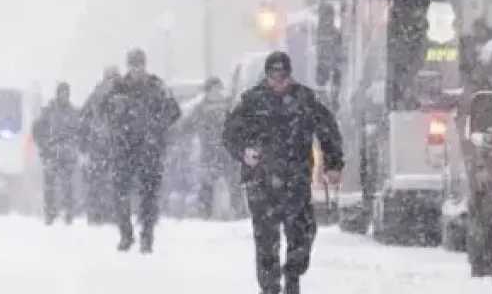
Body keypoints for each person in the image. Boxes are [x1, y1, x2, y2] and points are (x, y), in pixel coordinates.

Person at [223, 51, 344, 294]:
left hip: (296, 178)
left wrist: (333, 164)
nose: (278, 81)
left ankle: (292, 276)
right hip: (261, 180)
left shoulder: (305, 99)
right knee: (266, 239)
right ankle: (270, 287)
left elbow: (328, 130)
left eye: (283, 76)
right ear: (266, 76)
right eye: (273, 76)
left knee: (302, 234)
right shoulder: (251, 101)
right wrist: (244, 152)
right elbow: (229, 134)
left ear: (290, 75)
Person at [103, 48, 180, 253]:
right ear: (128, 67)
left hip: (149, 148)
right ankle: (126, 234)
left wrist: (157, 126)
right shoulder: (118, 87)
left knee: (149, 195)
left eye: (140, 65)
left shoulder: (157, 86)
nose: (137, 69)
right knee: (120, 193)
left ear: (145, 65)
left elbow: (174, 111)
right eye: (133, 65)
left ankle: (147, 237)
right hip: (124, 148)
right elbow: (103, 111)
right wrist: (117, 125)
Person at [181, 77, 236, 219]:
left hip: (225, 150)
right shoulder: (201, 108)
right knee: (208, 181)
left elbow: (237, 124)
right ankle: (207, 211)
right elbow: (187, 125)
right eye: (214, 89)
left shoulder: (227, 106)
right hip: (209, 150)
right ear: (208, 91)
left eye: (219, 88)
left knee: (227, 181)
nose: (217, 92)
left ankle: (229, 210)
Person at [32, 82, 80, 225]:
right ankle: (50, 212)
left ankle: (68, 212)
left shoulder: (73, 112)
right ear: (57, 94)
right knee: (50, 185)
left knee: (68, 185)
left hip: (67, 153)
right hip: (51, 152)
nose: (64, 95)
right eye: (62, 92)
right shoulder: (49, 111)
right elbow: (37, 129)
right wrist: (43, 146)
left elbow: (79, 131)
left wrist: (74, 146)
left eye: (66, 93)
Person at [79, 65, 119, 225]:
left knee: (99, 183)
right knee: (111, 182)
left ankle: (97, 215)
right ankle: (109, 214)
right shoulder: (122, 94)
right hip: (111, 146)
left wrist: (83, 146)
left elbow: (83, 120)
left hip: (100, 146)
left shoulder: (96, 94)